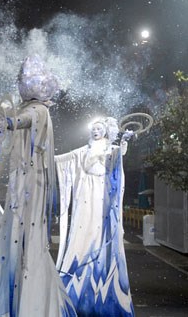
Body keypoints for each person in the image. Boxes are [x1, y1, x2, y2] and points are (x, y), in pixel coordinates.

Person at [0, 55, 76, 316]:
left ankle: (30, 297)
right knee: (16, 227)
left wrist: (10, 123)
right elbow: (11, 111)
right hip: (20, 180)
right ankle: (16, 286)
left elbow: (24, 119)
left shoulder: (39, 109)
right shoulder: (24, 106)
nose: (19, 85)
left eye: (23, 81)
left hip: (33, 181)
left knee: (27, 231)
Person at [55, 118, 135, 316]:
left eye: (100, 128)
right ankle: (77, 281)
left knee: (100, 231)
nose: (96, 131)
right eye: (94, 128)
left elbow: (119, 156)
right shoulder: (83, 150)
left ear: (106, 131)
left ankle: (102, 283)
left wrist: (124, 141)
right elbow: (62, 159)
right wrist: (44, 154)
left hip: (101, 194)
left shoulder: (110, 148)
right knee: (83, 231)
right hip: (85, 196)